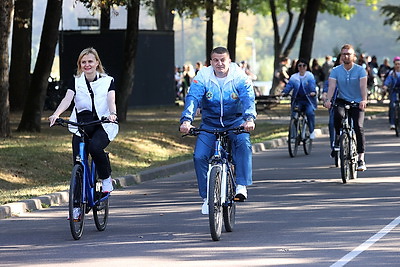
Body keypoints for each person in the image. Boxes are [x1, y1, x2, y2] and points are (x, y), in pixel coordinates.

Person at [179, 46, 256, 215]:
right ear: (211, 61)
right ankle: (207, 198)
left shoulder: (239, 76)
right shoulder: (203, 76)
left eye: (223, 60)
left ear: (229, 60)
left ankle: (241, 186)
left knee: (243, 143)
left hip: (235, 121)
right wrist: (186, 120)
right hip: (210, 123)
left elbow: (248, 98)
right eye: (216, 60)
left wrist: (249, 119)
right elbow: (193, 98)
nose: (219, 63)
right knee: (199, 156)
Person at [49, 47, 119, 196]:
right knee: (78, 162)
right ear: (80, 65)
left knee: (94, 148)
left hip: (103, 124)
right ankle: (76, 208)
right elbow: (67, 99)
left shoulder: (107, 81)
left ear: (97, 63)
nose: (87, 65)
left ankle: (106, 179)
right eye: (83, 62)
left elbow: (111, 99)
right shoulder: (75, 81)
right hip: (82, 124)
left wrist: (113, 114)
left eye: (90, 61)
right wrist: (56, 114)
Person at [323, 43, 368, 171]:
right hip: (342, 100)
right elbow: (331, 87)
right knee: (336, 117)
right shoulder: (336, 70)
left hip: (357, 102)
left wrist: (364, 100)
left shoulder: (360, 70)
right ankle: (338, 140)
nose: (346, 56)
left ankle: (360, 159)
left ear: (354, 56)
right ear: (341, 56)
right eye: (344, 54)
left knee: (358, 127)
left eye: (349, 54)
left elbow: (362, 87)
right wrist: (328, 100)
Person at [281, 58, 317, 139]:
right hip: (297, 100)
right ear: (297, 67)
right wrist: (284, 92)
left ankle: (311, 131)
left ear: (307, 67)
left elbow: (312, 85)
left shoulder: (309, 76)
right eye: (300, 65)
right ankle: (293, 136)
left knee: (310, 113)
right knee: (294, 115)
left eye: (304, 65)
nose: (302, 67)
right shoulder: (294, 77)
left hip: (308, 100)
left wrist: (312, 92)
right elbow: (289, 86)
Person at [321, 54, 342, 157]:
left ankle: (353, 145)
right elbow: (326, 88)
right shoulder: (333, 75)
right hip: (335, 104)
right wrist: (324, 97)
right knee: (332, 123)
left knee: (353, 124)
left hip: (349, 104)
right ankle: (334, 145)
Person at [382, 56, 400, 130]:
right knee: (392, 106)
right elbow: (388, 80)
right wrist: (385, 86)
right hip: (394, 91)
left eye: (399, 64)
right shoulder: (391, 73)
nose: (397, 65)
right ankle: (392, 123)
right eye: (396, 64)